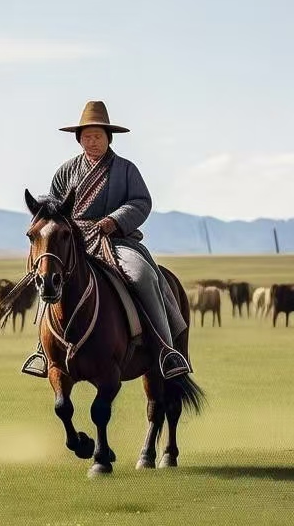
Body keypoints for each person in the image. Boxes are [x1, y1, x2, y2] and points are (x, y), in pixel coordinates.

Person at [22, 100, 191, 379]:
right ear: (78, 140)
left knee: (143, 275)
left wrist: (115, 220)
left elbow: (141, 202)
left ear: (108, 138)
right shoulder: (66, 172)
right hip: (74, 242)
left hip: (117, 240)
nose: (92, 142)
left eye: (97, 136)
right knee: (48, 276)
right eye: (86, 136)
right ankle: (44, 349)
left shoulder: (125, 169)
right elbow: (53, 211)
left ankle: (165, 349)